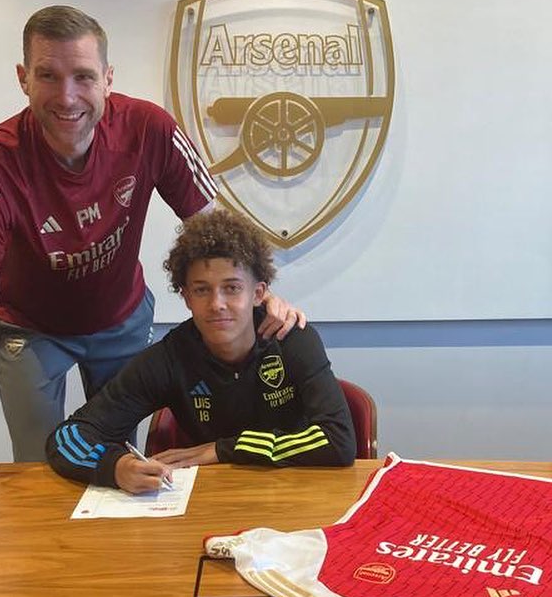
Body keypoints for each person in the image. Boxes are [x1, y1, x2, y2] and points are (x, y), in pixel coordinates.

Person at [0, 5, 302, 520]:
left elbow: (221, 234)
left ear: (107, 78)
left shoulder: (149, 129)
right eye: (48, 75)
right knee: (46, 465)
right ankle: (46, 568)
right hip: (29, 331)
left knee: (110, 459)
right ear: (23, 78)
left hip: (120, 318)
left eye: (83, 76)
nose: (67, 97)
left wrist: (264, 293)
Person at [46, 209, 355, 491]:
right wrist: (116, 467)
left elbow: (338, 440)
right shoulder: (171, 357)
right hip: (210, 502)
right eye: (202, 289)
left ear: (258, 293)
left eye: (232, 288)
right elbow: (67, 438)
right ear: (186, 298)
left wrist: (223, 449)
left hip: (299, 492)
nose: (217, 304)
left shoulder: (291, 338)